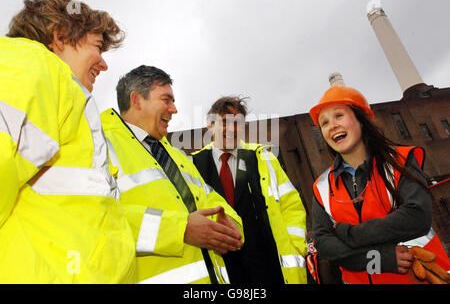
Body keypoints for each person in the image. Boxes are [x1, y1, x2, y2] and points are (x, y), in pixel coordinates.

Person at [0, 0, 138, 283]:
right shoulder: (33, 64)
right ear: (60, 36)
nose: (103, 64)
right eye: (98, 47)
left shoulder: (61, 92)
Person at [100, 65, 244, 284]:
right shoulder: (100, 148)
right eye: (166, 100)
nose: (174, 109)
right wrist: (181, 229)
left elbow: (213, 202)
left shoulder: (178, 156)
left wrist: (229, 227)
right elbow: (97, 217)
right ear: (136, 100)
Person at [309, 84, 450, 284]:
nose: (331, 125)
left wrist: (349, 235)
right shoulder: (322, 186)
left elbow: (417, 216)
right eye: (324, 123)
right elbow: (324, 243)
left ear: (361, 119)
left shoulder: (399, 161)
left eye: (339, 116)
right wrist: (379, 259)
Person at [191, 96, 308, 284]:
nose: (232, 129)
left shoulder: (264, 158)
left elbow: (291, 206)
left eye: (238, 123)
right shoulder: (192, 165)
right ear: (210, 124)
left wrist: (295, 246)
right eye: (225, 121)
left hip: (268, 267)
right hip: (222, 269)